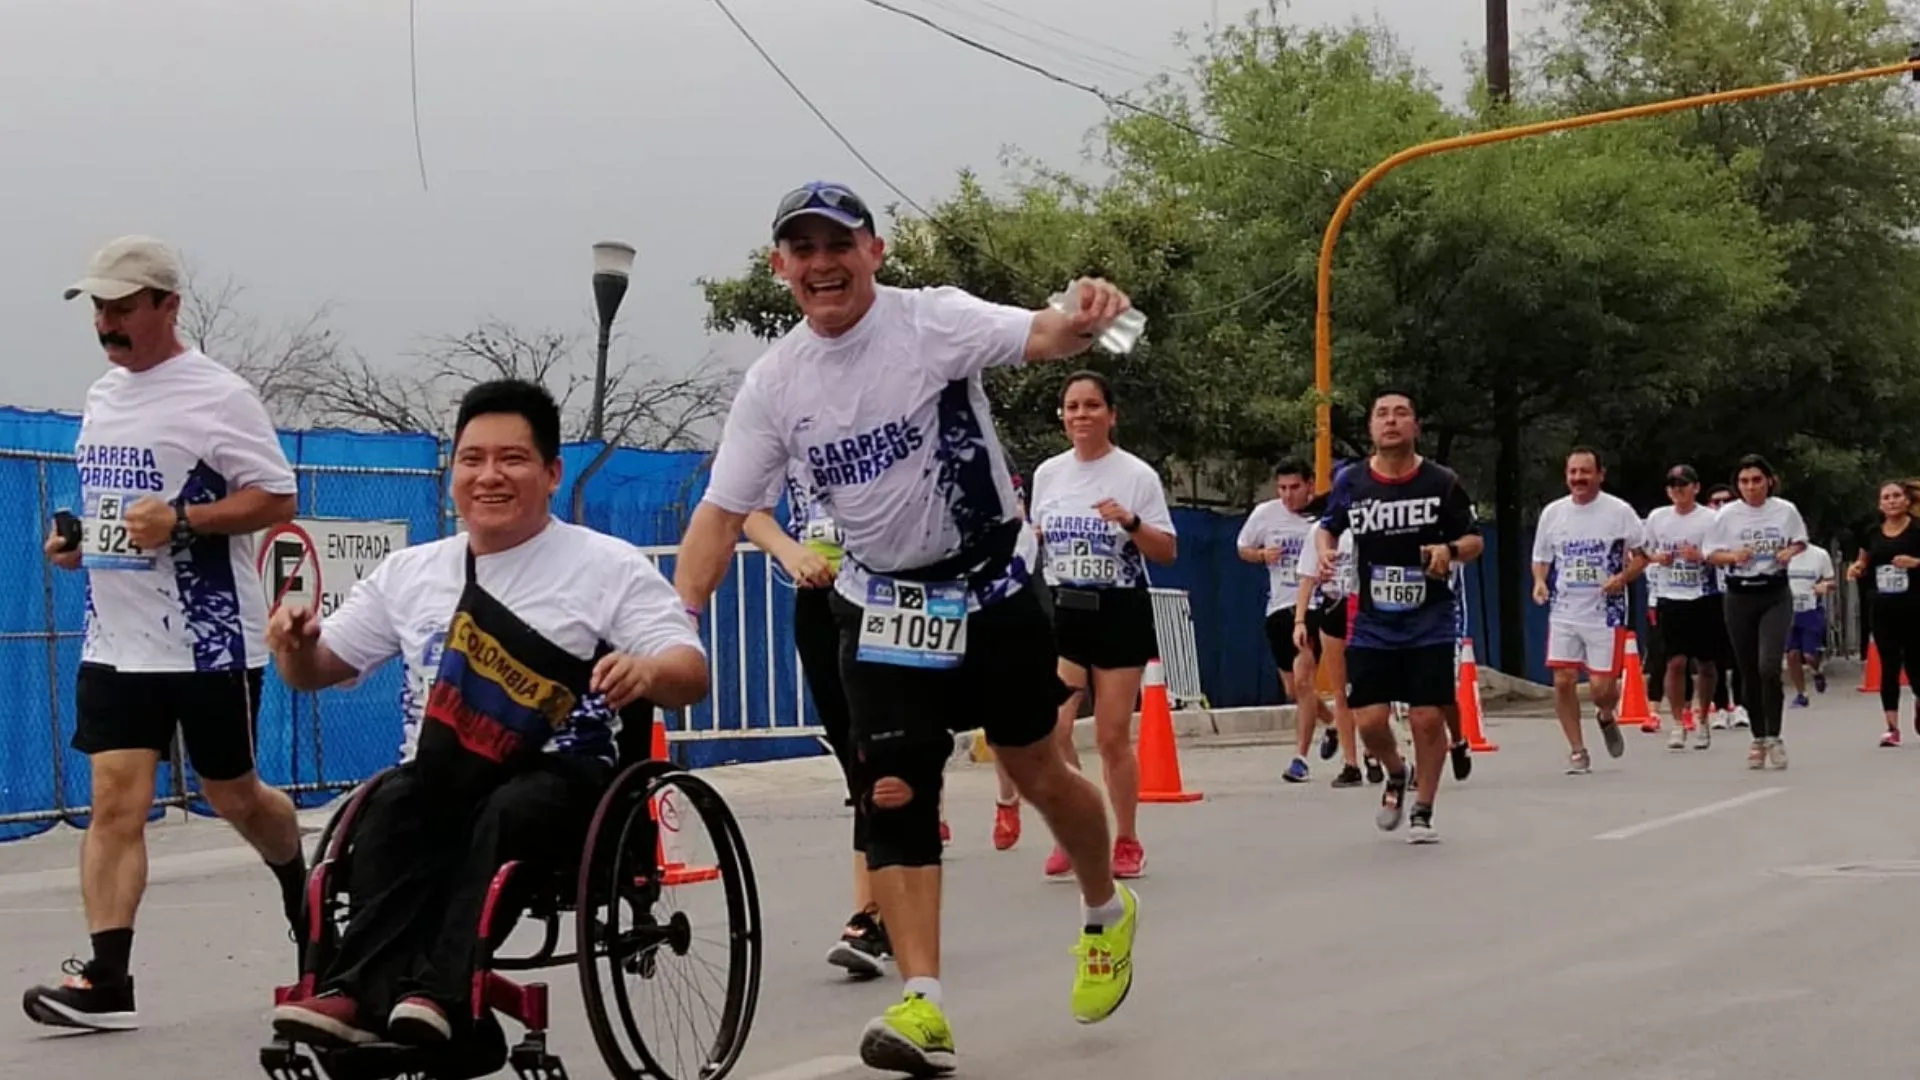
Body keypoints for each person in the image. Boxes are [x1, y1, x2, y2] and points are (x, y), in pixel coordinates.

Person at [671, 181, 1140, 1075]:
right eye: (800, 251)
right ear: (780, 269)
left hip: (994, 590)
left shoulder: (933, 322)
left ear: (873, 253)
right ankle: (922, 1003)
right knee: (888, 792)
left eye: (837, 245)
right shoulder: (776, 383)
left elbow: (1051, 334)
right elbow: (723, 512)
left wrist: (1098, 314)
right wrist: (676, 623)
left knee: (1036, 768)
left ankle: (1105, 907)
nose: (821, 265)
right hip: (882, 606)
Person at [266, 380, 709, 1049]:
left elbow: (690, 673)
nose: (489, 476)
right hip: (443, 769)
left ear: (552, 473)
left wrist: (647, 669)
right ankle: (353, 991)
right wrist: (295, 649)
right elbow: (318, 672)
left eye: (512, 459)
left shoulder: (605, 567)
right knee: (393, 805)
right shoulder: (410, 573)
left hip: (562, 780)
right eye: (472, 460)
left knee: (504, 811)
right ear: (453, 474)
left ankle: (445, 999)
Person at [23, 236, 307, 1033]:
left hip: (208, 639)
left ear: (166, 306)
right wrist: (79, 542)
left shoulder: (219, 395)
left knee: (233, 795)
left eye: (123, 307)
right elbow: (117, 509)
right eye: (99, 309)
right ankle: (107, 975)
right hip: (116, 639)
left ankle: (304, 893)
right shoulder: (102, 397)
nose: (108, 323)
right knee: (115, 799)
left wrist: (183, 518)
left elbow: (277, 496)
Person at [744, 465, 894, 977]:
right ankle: (889, 901)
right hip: (819, 598)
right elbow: (752, 514)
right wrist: (791, 552)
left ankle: (869, 915)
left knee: (875, 747)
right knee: (857, 756)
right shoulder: (786, 424)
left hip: (889, 593)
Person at [1029, 370, 1176, 880]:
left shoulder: (1136, 476)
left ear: (1111, 415)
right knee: (1055, 729)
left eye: (1092, 406)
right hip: (1065, 611)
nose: (1081, 415)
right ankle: (1073, 831)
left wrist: (1131, 524)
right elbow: (1033, 542)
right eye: (1072, 407)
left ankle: (1127, 838)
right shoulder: (1049, 474)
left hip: (1118, 611)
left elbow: (1167, 551)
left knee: (1112, 737)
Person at [1317, 390, 1483, 844]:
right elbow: (1328, 527)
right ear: (1371, 428)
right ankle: (1395, 771)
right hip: (1373, 621)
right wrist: (1326, 553)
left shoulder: (1441, 481)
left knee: (1428, 718)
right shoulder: (1352, 482)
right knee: (1369, 721)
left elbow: (1474, 540)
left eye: (1401, 414)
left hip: (1429, 618)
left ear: (1415, 427)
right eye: (1382, 415)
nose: (1391, 421)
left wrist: (1448, 551)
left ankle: (1424, 808)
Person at [1529, 448, 1648, 774]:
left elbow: (1642, 555)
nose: (1578, 479)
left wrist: (1622, 578)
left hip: (1605, 612)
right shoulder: (1553, 513)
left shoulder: (1619, 511)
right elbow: (1541, 557)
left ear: (1599, 474)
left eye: (1585, 472)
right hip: (1565, 610)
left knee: (1602, 689)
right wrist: (1540, 581)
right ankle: (1577, 750)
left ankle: (1606, 715)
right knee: (1563, 679)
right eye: (1573, 473)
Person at [1705, 454, 1808, 769]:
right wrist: (1733, 555)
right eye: (1744, 482)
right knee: (1747, 668)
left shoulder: (1785, 510)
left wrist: (1788, 551)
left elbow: (1800, 541)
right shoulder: (1727, 515)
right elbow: (1710, 553)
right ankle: (1758, 736)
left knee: (1767, 666)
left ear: (1769, 482)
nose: (1750, 487)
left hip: (1774, 593)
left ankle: (1775, 736)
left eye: (1756, 480)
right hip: (1739, 595)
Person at [1237, 460, 1337, 780]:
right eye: (1282, 488)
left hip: (1312, 607)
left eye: (1295, 487)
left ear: (1310, 484)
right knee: (1295, 690)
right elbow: (1242, 548)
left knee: (1305, 679)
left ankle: (1300, 759)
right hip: (1278, 609)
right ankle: (1333, 723)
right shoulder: (1265, 514)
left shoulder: (1323, 519)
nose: (1288, 495)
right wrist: (1261, 556)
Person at [1291, 498, 1375, 787]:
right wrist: (1300, 620)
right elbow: (1307, 577)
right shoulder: (1320, 530)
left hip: (1367, 609)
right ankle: (1350, 763)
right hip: (1334, 605)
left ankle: (1376, 751)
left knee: (1370, 688)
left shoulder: (1371, 527)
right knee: (1341, 691)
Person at [1641, 465, 1720, 752]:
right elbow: (1642, 550)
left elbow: (1721, 553)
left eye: (1683, 484)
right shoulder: (1658, 518)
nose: (1678, 489)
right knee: (1675, 662)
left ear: (1696, 488)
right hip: (1670, 595)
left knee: (1707, 664)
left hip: (1704, 595)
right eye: (1673, 485)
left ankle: (1703, 719)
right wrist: (1655, 557)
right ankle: (1678, 722)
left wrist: (1700, 556)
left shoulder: (1710, 519)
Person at [1846, 480, 1920, 747]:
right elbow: (1863, 561)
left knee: (1915, 665)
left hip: (1914, 607)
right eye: (1886, 497)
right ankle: (1892, 727)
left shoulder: (1916, 530)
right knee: (1888, 667)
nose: (1891, 501)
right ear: (1880, 504)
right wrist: (1856, 569)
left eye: (1896, 496)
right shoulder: (1872, 533)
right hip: (1882, 608)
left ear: (1907, 501)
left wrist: (1915, 563)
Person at [1701, 485, 1750, 730]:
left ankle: (1742, 705)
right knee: (1715, 656)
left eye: (1726, 501)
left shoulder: (1741, 527)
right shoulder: (1705, 528)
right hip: (1711, 596)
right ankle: (1720, 707)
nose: (1720, 506)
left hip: (1739, 592)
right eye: (1715, 502)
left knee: (1740, 651)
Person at [1784, 541, 1836, 708]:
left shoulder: (1819, 554)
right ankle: (1802, 694)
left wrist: (1825, 586)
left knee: (1808, 655)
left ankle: (1816, 671)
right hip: (1788, 611)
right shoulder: (1782, 555)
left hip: (1811, 610)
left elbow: (1831, 581)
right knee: (1791, 654)